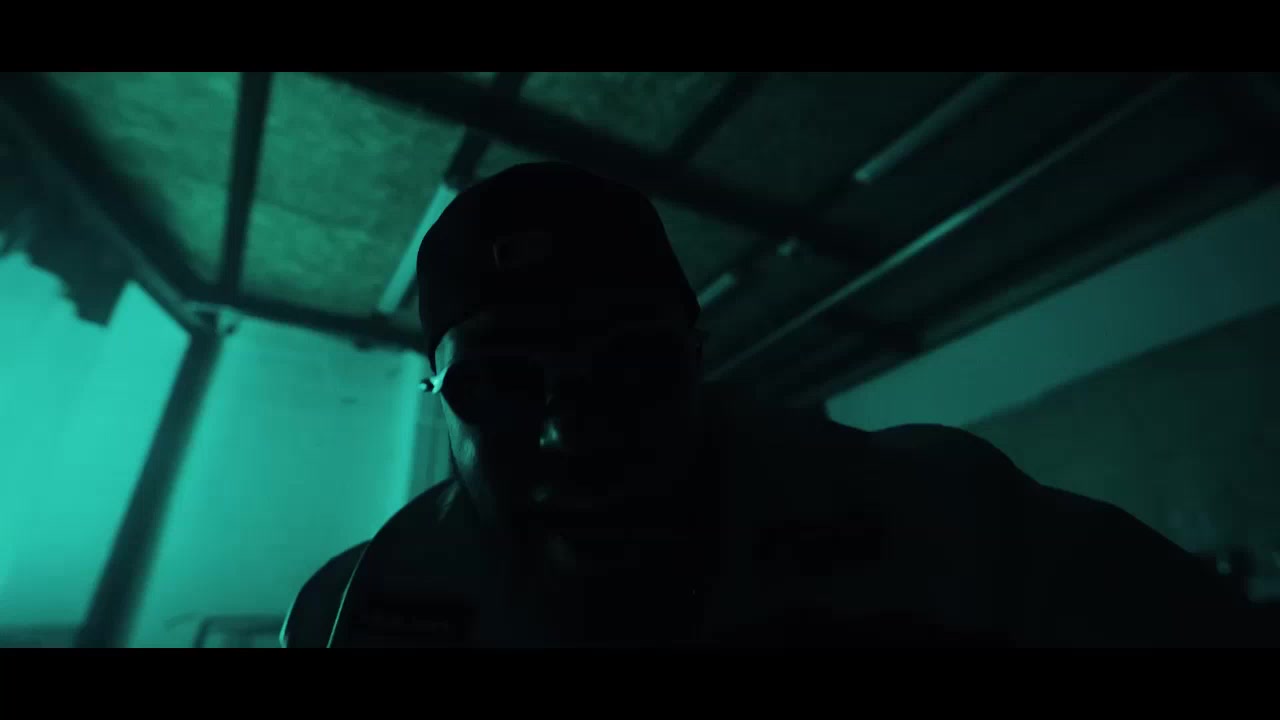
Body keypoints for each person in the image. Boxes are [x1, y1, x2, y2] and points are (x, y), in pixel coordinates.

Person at [282, 162, 1259, 648]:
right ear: (441, 403)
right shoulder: (353, 620)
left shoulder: (952, 530)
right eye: (500, 382)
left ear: (695, 362)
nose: (569, 430)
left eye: (627, 367)